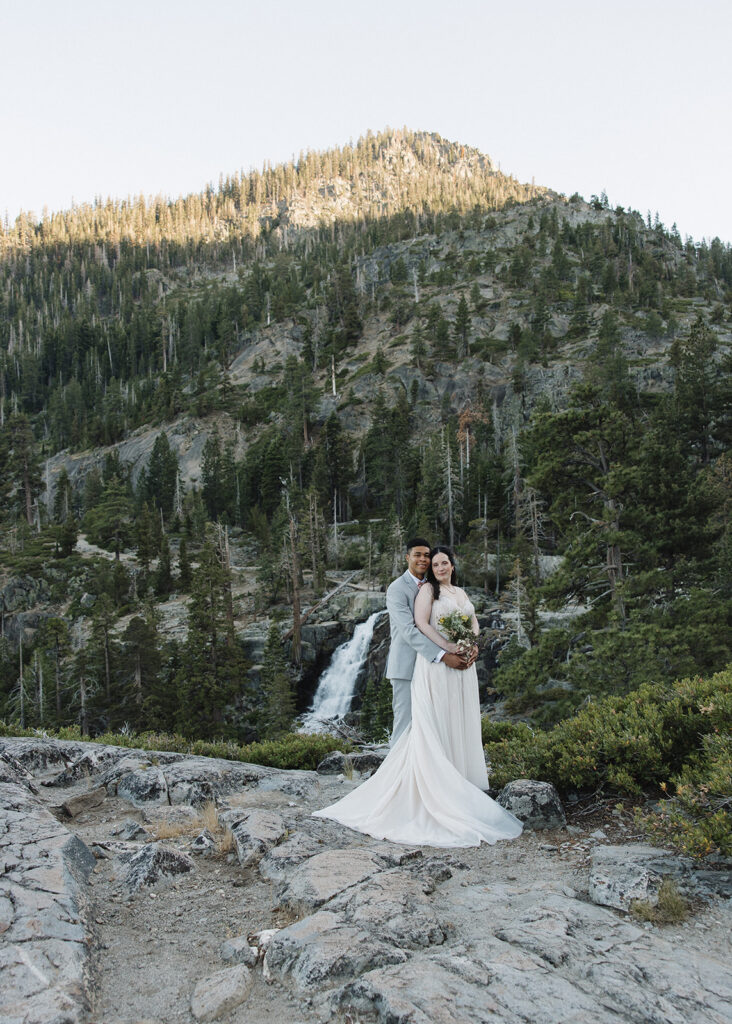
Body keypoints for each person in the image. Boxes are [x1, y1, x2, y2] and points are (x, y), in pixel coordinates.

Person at [313, 546, 523, 848]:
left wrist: (470, 644)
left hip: (449, 668)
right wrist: (447, 653)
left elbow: (471, 622)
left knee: (447, 724)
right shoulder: (406, 589)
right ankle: (401, 789)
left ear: (451, 565)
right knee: (409, 729)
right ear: (409, 557)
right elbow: (413, 628)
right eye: (424, 558)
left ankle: (456, 782)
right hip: (421, 666)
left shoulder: (454, 591)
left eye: (439, 561)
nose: (431, 563)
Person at [383, 537, 473, 745]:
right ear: (407, 557)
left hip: (433, 670)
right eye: (417, 555)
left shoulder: (437, 587)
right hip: (408, 665)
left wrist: (469, 645)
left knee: (433, 724)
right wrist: (443, 655)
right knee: (405, 724)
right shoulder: (397, 589)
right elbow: (408, 630)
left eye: (426, 555)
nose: (423, 559)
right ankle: (399, 774)